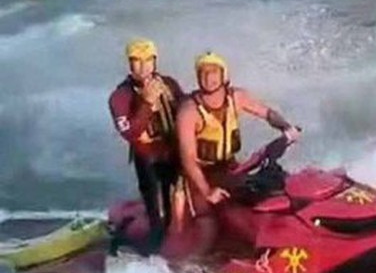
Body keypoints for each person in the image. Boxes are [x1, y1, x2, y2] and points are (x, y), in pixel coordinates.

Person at [172, 52, 299, 260]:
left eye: (213, 72)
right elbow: (188, 159)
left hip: (229, 167)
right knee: (208, 227)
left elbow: (267, 113)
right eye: (203, 73)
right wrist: (207, 191)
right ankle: (189, 271)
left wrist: (286, 127)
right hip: (199, 175)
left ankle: (278, 243)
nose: (208, 77)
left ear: (223, 75)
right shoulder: (189, 111)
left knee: (261, 192)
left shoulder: (237, 98)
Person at [108, 39, 185, 253]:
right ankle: (150, 255)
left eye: (148, 61)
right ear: (129, 64)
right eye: (136, 62)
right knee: (160, 216)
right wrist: (148, 103)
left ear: (155, 61)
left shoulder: (168, 84)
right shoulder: (120, 97)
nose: (143, 67)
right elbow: (130, 133)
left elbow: (187, 110)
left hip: (175, 155)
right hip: (149, 160)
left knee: (183, 211)